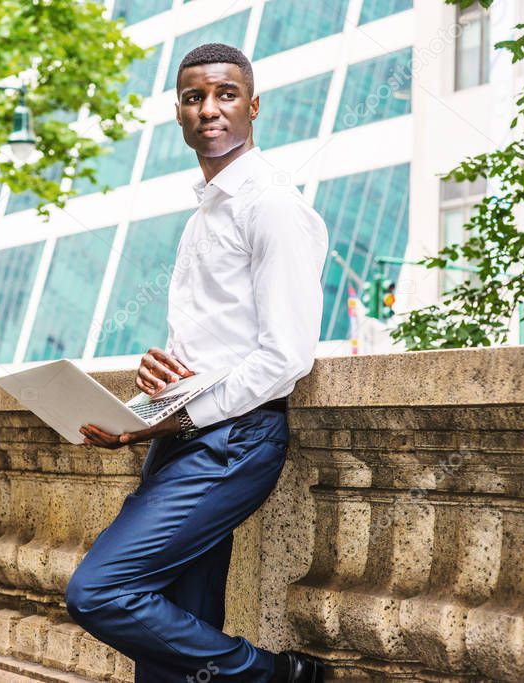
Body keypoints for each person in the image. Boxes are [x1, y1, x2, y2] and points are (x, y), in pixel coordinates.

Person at [67, 43, 329, 682]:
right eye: (193, 98)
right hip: (187, 434)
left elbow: (286, 356)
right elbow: (217, 341)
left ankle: (275, 677)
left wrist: (174, 422)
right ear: (179, 113)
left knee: (99, 591)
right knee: (176, 633)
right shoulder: (205, 213)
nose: (209, 109)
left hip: (234, 440)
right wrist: (160, 381)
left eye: (225, 95)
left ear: (253, 106)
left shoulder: (273, 207)